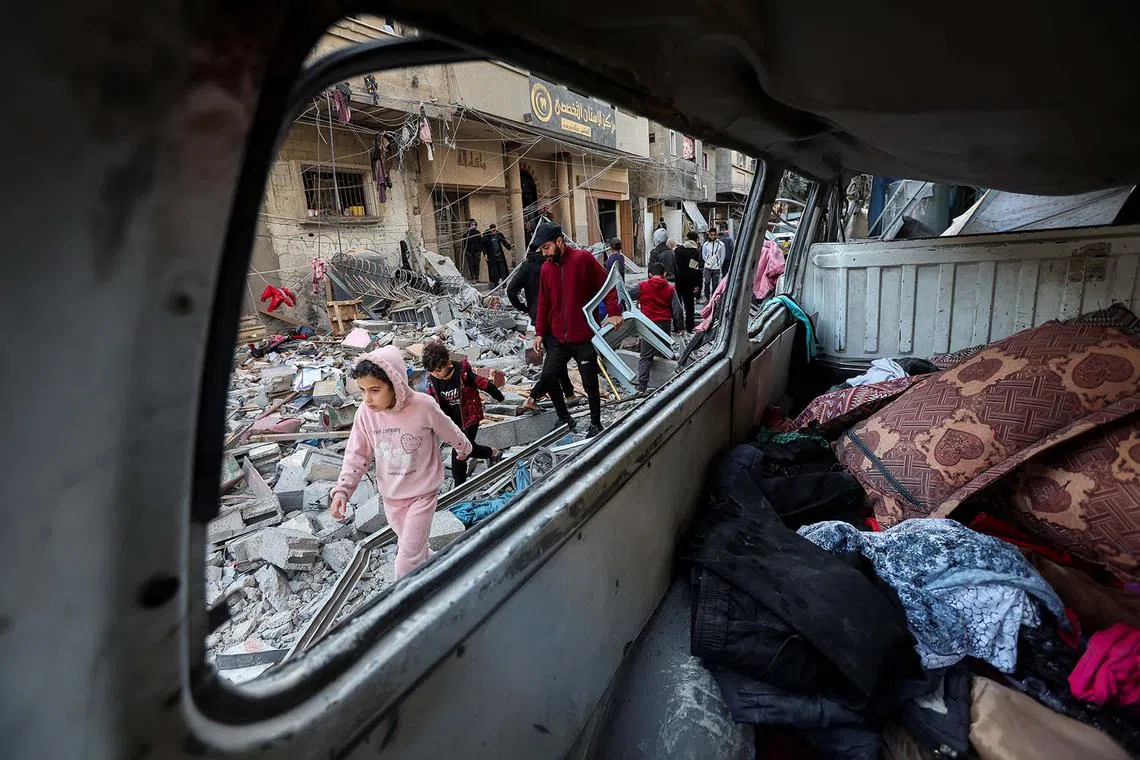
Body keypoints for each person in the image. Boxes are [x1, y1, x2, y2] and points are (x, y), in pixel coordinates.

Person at [330, 346, 472, 578]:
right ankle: (445, 573)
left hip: (422, 495)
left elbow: (447, 428)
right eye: (362, 391)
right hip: (391, 498)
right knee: (417, 550)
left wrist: (463, 447)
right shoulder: (365, 414)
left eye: (375, 390)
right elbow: (356, 454)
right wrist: (342, 491)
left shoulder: (423, 406)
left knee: (406, 561)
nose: (367, 398)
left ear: (395, 384)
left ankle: (403, 603)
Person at [516, 219, 622, 436]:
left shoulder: (583, 259)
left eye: (547, 247)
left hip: (583, 336)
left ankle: (595, 424)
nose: (544, 253)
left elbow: (608, 283)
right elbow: (544, 302)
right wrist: (539, 332)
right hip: (557, 338)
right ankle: (565, 418)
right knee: (549, 376)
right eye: (542, 249)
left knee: (590, 383)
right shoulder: (546, 268)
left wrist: (613, 312)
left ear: (559, 241)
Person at [422, 341, 504, 486]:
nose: (436, 374)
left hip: (470, 417)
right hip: (453, 422)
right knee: (468, 448)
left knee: (459, 454)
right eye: (433, 371)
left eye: (438, 370)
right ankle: (493, 453)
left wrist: (500, 398)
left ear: (448, 363)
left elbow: (484, 384)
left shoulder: (463, 374)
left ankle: (460, 488)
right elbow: (431, 399)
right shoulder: (434, 380)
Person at [505, 244, 579, 405]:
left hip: (540, 318)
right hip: (561, 316)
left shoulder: (528, 266)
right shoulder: (555, 263)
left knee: (555, 357)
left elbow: (511, 290)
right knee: (556, 358)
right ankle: (544, 396)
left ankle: (565, 394)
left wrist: (525, 308)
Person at [630, 262, 683, 394]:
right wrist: (679, 327)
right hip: (664, 324)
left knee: (645, 356)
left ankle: (642, 386)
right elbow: (678, 310)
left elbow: (627, 295)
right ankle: (668, 383)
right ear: (664, 274)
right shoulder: (670, 288)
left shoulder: (642, 286)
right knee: (665, 352)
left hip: (647, 325)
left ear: (649, 274)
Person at [674, 231, 703, 332]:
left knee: (677, 305)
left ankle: (678, 325)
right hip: (688, 282)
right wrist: (696, 284)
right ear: (696, 240)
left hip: (678, 280)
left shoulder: (677, 250)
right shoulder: (694, 252)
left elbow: (675, 266)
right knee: (689, 306)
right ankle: (689, 326)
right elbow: (693, 269)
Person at [701, 227, 727, 300]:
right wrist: (708, 262)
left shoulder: (721, 245)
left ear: (716, 235)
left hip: (716, 267)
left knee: (715, 284)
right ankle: (707, 297)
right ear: (709, 235)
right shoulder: (705, 245)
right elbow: (704, 255)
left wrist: (719, 264)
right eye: (711, 235)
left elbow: (722, 255)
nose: (713, 236)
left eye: (714, 235)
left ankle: (713, 298)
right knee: (706, 282)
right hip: (707, 267)